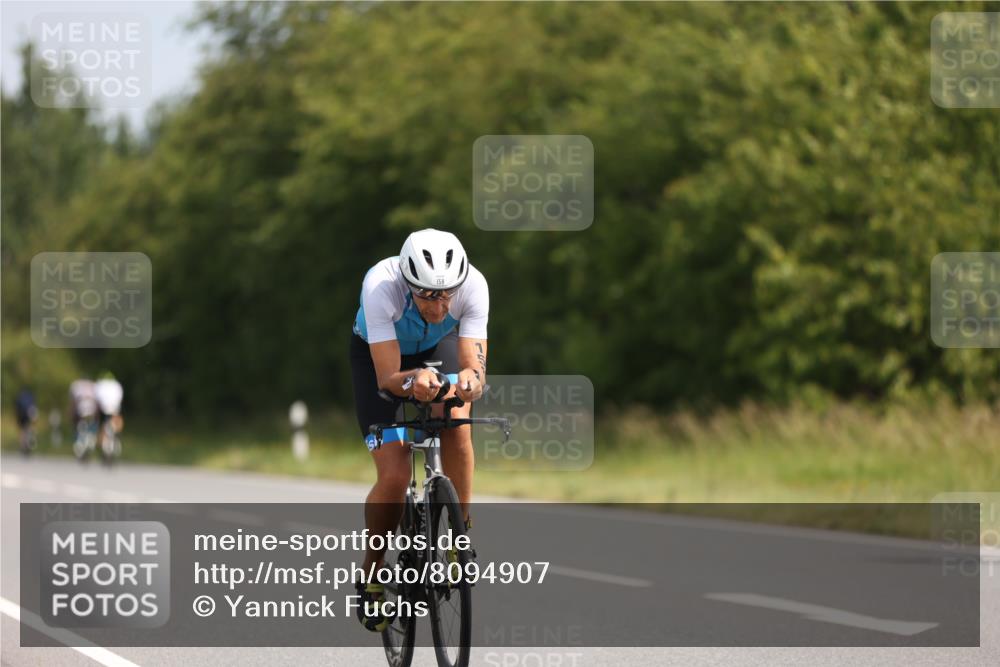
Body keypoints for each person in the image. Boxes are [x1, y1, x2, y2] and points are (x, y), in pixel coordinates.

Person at [349, 228, 488, 631]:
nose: (440, 305)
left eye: (447, 295)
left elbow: (474, 366)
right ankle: (372, 572)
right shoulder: (381, 287)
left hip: (437, 349)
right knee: (394, 474)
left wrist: (471, 382)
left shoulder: (474, 286)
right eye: (428, 296)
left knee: (457, 423)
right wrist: (415, 382)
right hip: (380, 358)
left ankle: (459, 536)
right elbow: (389, 377)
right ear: (409, 284)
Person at [94, 372, 124, 455]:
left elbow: (97, 399)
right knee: (117, 421)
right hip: (115, 410)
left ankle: (101, 439)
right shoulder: (117, 385)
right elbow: (120, 399)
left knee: (102, 424)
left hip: (104, 410)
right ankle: (117, 435)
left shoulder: (100, 385)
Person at [69, 378, 98, 456]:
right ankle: (90, 439)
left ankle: (83, 440)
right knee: (91, 426)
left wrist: (72, 412)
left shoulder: (77, 386)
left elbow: (74, 401)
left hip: (81, 413)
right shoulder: (93, 386)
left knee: (79, 427)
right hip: (90, 412)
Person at [14, 388, 38, 454]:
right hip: (28, 414)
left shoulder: (19, 397)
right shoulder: (31, 396)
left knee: (22, 431)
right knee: (28, 428)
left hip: (21, 415)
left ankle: (22, 447)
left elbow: (16, 407)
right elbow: (33, 406)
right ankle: (30, 443)